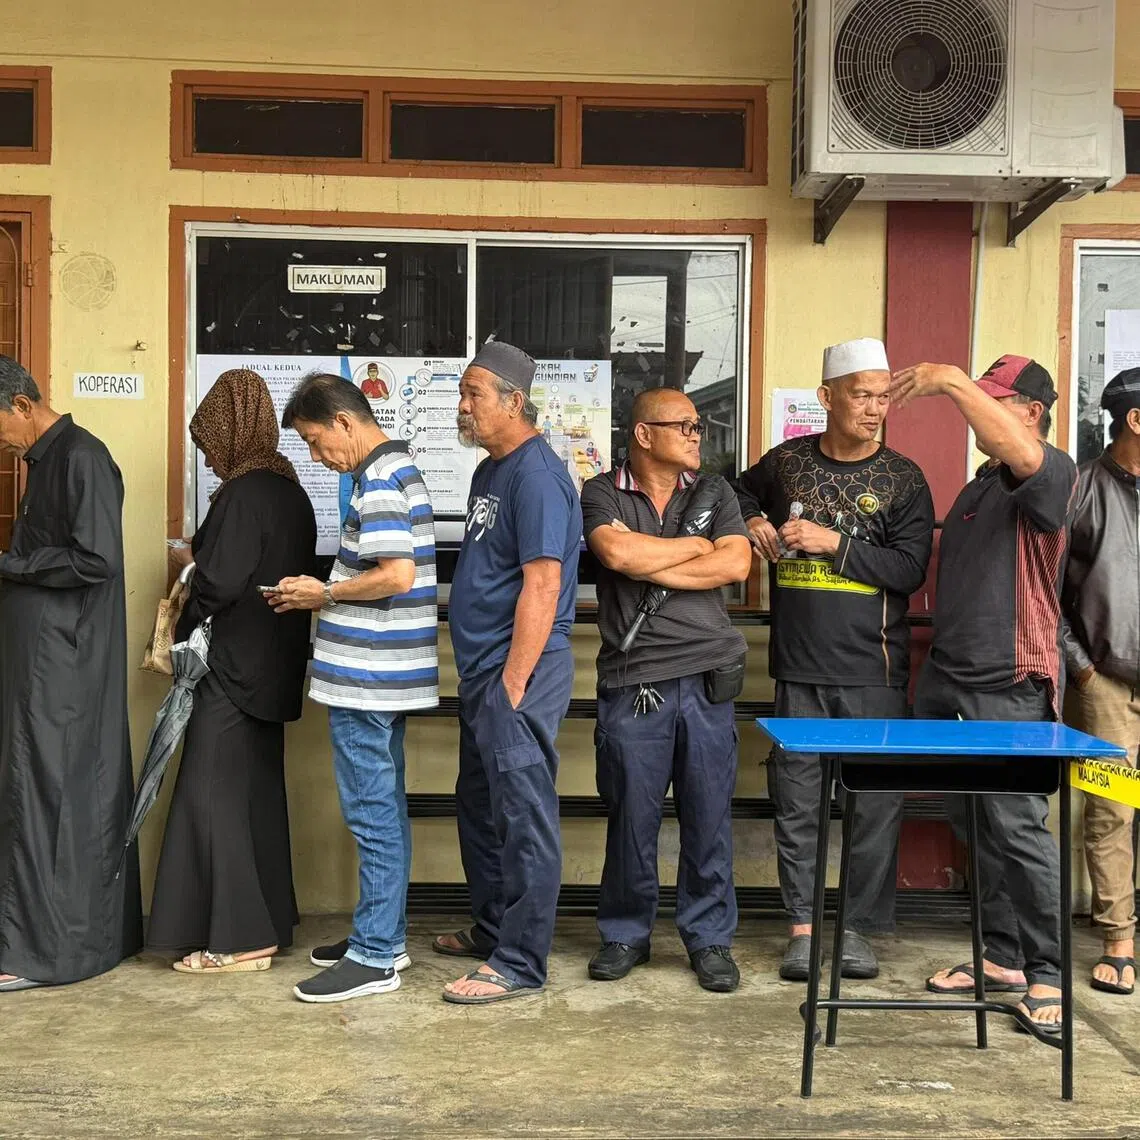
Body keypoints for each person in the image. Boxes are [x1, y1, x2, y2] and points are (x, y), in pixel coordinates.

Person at [735, 337, 934, 982]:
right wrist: (751, 521)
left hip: (874, 674)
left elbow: (908, 570)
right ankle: (800, 926)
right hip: (798, 669)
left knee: (874, 808)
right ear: (827, 398)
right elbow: (732, 489)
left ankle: (855, 928)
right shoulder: (786, 463)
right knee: (796, 805)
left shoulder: (904, 478)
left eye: (883, 397)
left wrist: (833, 542)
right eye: (862, 395)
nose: (875, 408)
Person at [889, 354, 1077, 1035]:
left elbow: (1016, 450)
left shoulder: (1049, 473)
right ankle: (1001, 956)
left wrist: (951, 381)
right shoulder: (980, 489)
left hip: (1008, 686)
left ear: (1030, 412)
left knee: (1019, 830)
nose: (976, 412)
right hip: (951, 680)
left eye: (994, 400)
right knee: (975, 825)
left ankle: (1049, 973)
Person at [580, 388, 752, 992]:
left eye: (698, 426)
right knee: (632, 814)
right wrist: (695, 547)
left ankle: (709, 940)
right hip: (635, 682)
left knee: (709, 817)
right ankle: (625, 932)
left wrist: (654, 562)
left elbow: (735, 565)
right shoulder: (602, 491)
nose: (696, 435)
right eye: (684, 425)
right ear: (645, 433)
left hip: (708, 679)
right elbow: (616, 551)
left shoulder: (715, 491)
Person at [147, 369, 317, 975]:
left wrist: (192, 565)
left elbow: (221, 582)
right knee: (256, 798)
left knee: (210, 794)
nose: (212, 462)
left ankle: (241, 938)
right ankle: (267, 922)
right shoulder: (292, 491)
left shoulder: (245, 495)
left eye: (213, 448)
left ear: (234, 435)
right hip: (272, 671)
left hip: (232, 671)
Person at [275, 373, 438, 1003]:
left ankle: (374, 957)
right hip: (380, 674)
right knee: (383, 810)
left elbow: (395, 575)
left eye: (316, 442)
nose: (317, 457)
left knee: (372, 816)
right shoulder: (398, 469)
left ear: (345, 422)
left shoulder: (377, 479)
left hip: (368, 677)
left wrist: (324, 592)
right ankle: (383, 936)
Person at [437, 340, 581, 1005]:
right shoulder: (487, 472)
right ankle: (494, 927)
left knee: (523, 815)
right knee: (481, 807)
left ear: (513, 401)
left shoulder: (538, 474)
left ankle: (521, 960)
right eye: (462, 393)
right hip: (484, 674)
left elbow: (545, 586)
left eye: (473, 394)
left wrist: (513, 685)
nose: (462, 406)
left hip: (516, 673)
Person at [0, 355, 142, 991]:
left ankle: (48, 953)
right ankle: (41, 941)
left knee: (52, 793)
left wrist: (13, 565)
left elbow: (96, 560)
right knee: (38, 791)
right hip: (46, 662)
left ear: (23, 404)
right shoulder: (49, 458)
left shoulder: (80, 456)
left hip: (64, 665)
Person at [1061, 367, 1140, 997]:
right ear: (1135, 420)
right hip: (1106, 683)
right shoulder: (1080, 489)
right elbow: (1046, 591)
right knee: (1111, 811)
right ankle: (1118, 937)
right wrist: (1080, 668)